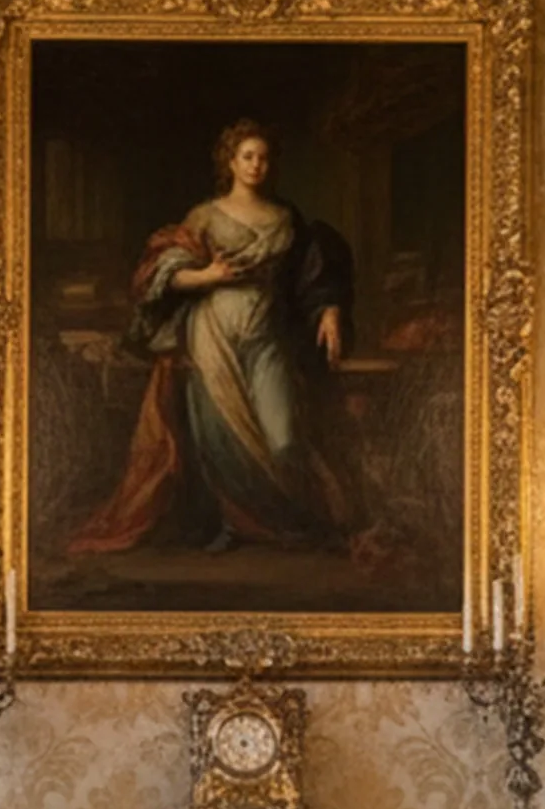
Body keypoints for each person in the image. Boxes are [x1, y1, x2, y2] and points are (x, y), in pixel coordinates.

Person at [70, 118, 359, 557]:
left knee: (282, 436)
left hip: (265, 335)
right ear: (231, 161)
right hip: (211, 336)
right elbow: (160, 276)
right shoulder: (204, 216)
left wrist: (330, 310)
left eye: (263, 157)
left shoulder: (286, 218)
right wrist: (207, 274)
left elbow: (310, 277)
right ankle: (229, 524)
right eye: (247, 156)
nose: (256, 165)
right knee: (217, 434)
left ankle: (282, 524)